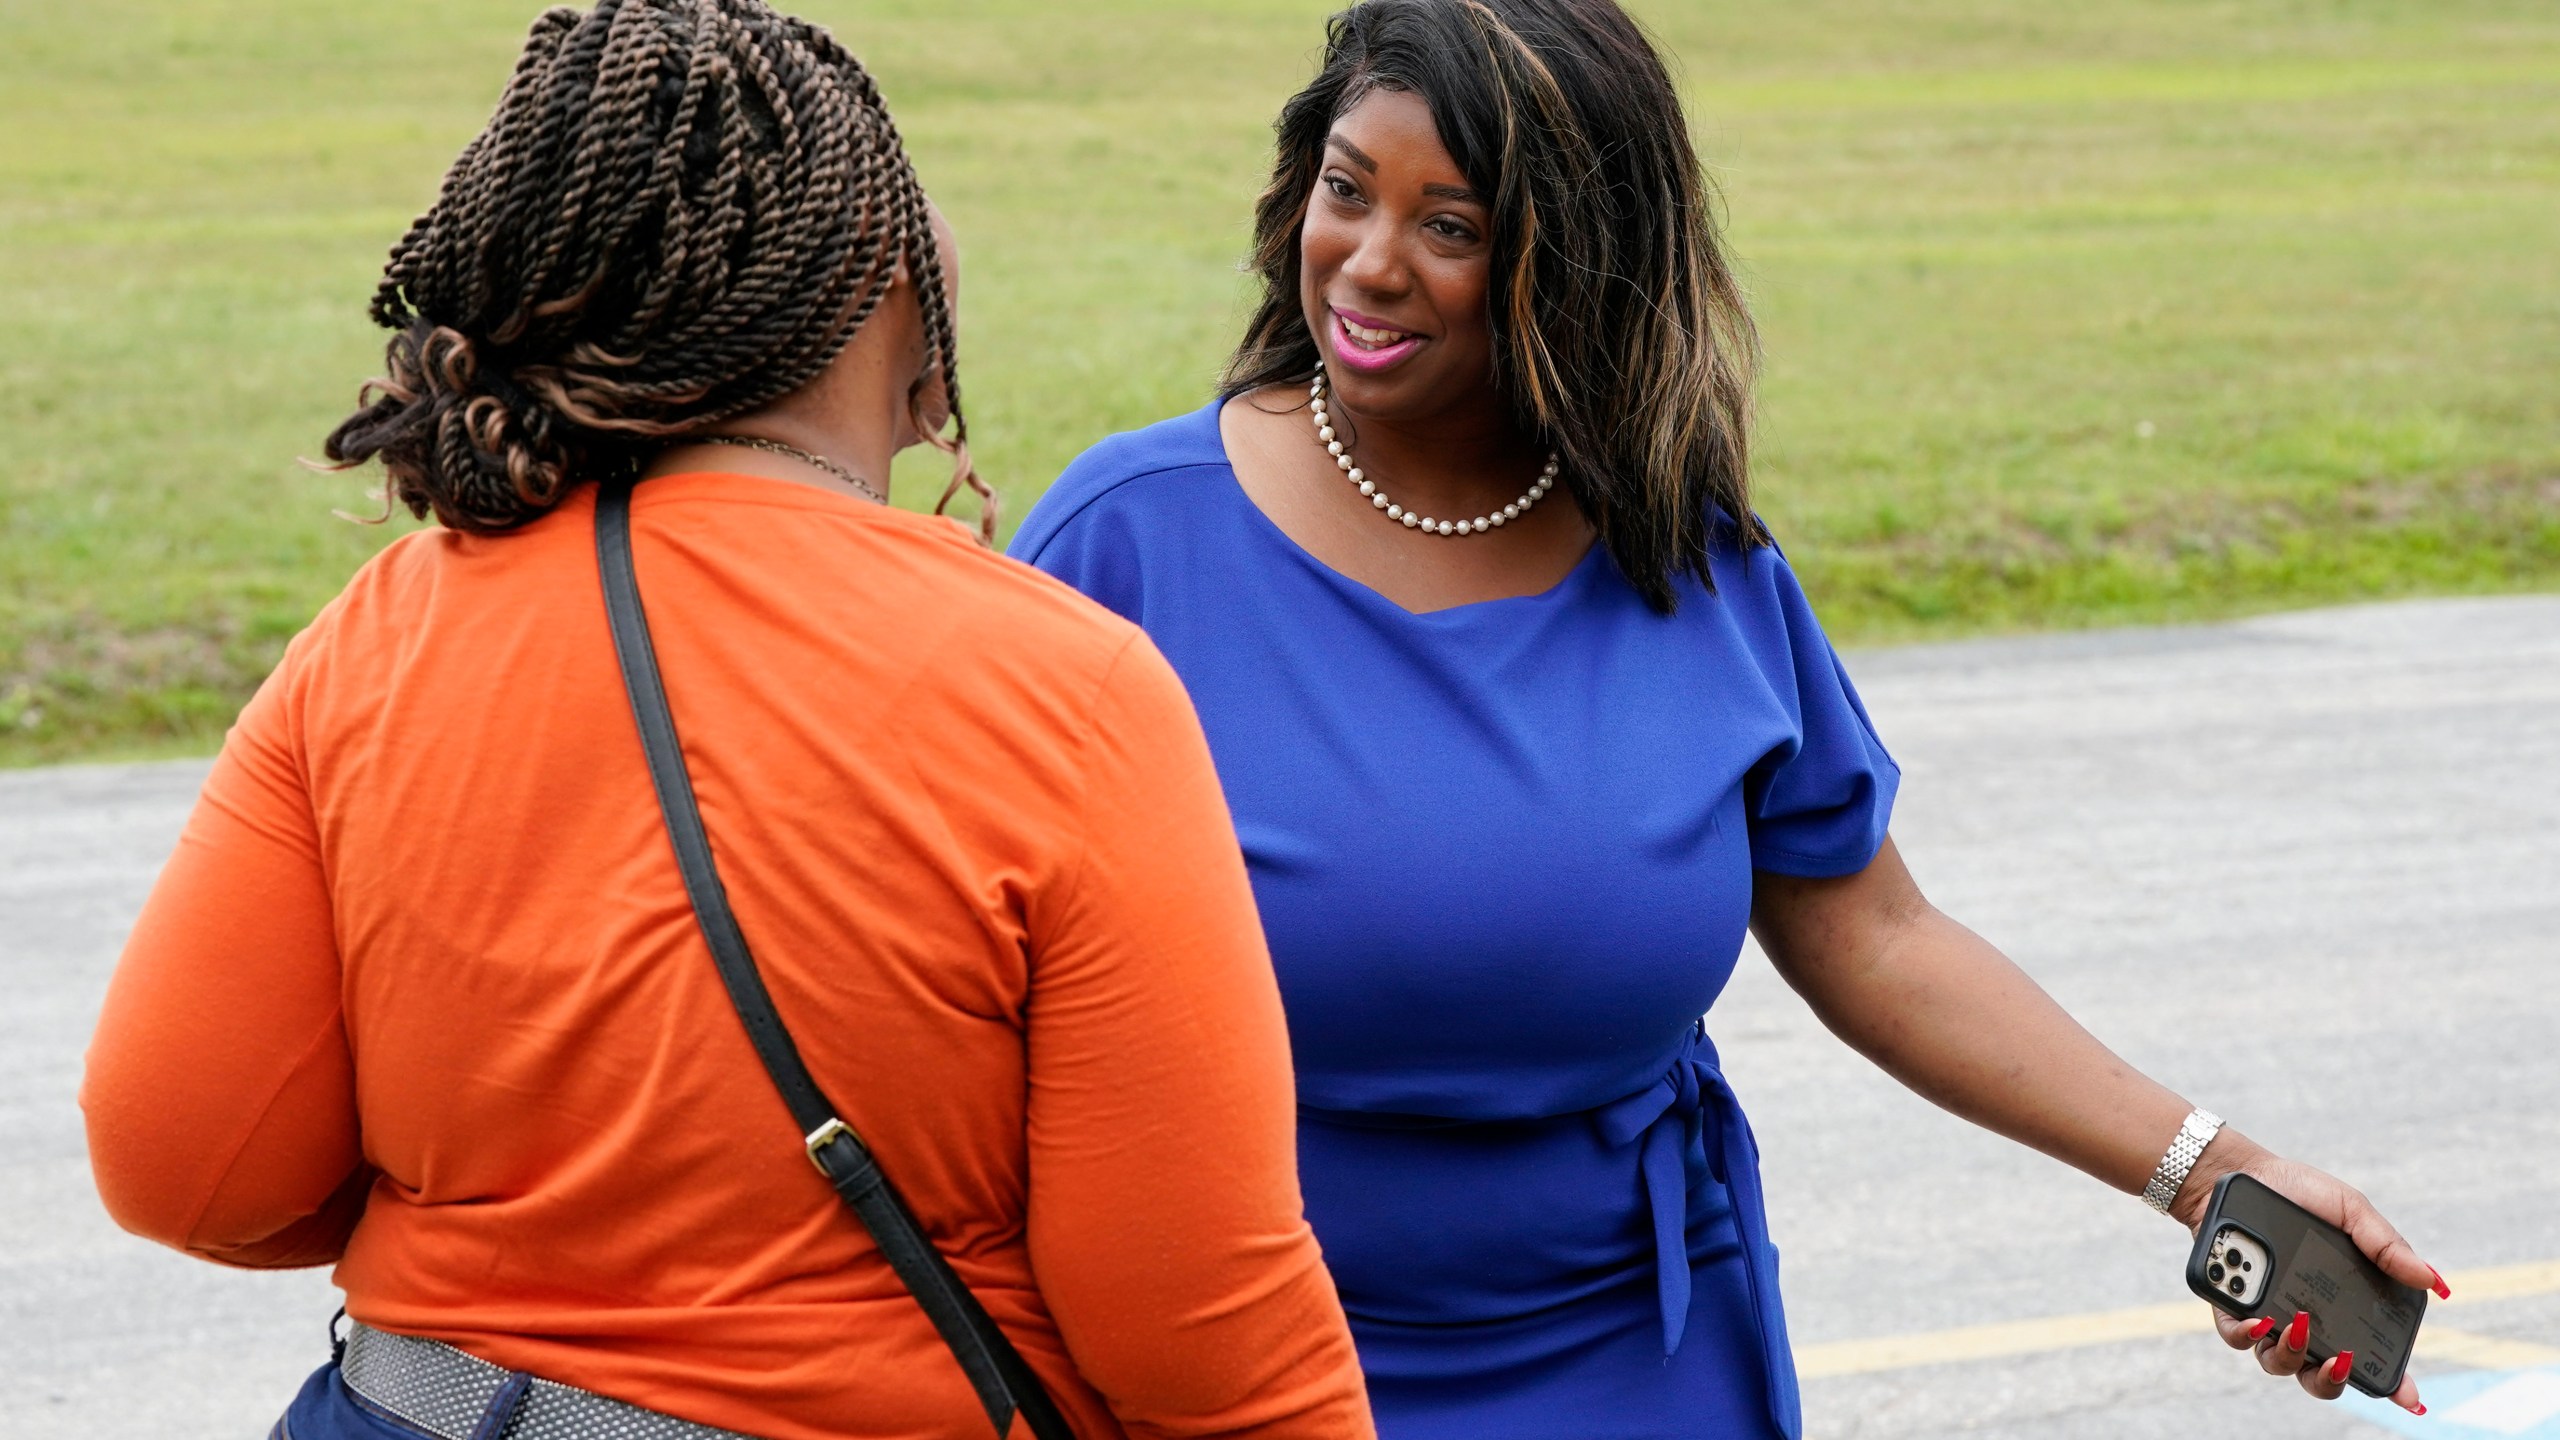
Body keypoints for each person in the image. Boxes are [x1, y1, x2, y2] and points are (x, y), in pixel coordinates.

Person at [1010, 2, 2447, 1436]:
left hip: (1638, 1347)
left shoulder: (1691, 567)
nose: (1369, 266)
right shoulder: (1129, 544)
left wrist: (2211, 1175)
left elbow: (1878, 936)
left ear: (1571, 262)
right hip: (1227, 1360)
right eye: (1346, 191)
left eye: (1449, 226)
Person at [80, 4, 1373, 1439]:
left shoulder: (379, 632)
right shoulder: (1066, 688)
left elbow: (182, 1159)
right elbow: (1199, 1332)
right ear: (873, 272)